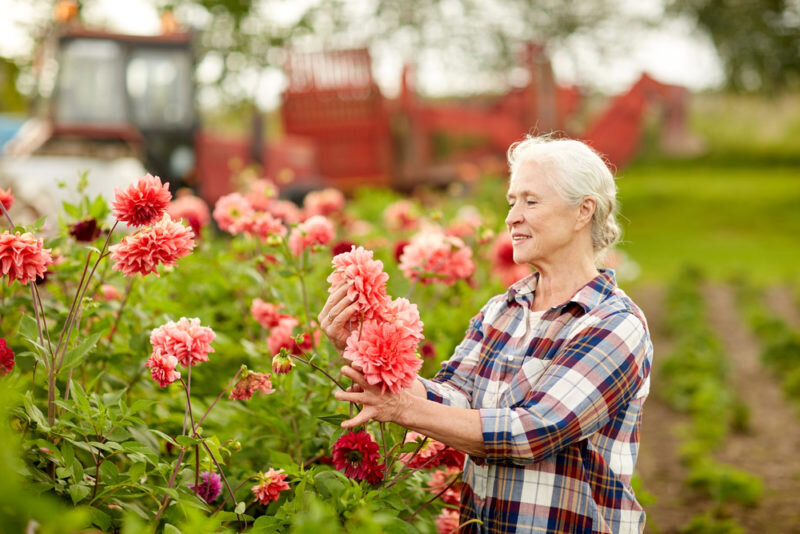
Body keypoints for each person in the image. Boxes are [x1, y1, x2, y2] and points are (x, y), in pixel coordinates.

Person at [319, 134, 653, 533]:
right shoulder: (502, 310)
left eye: (531, 201)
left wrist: (405, 409)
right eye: (512, 202)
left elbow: (535, 432)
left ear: (583, 212)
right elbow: (453, 395)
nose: (512, 217)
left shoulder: (614, 323)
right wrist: (361, 346)